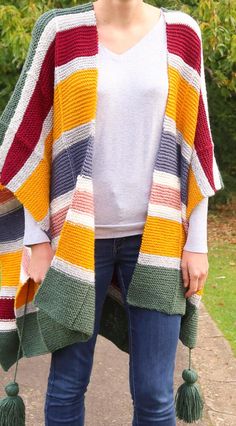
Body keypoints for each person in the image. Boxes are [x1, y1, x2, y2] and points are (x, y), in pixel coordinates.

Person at [0, 1, 224, 425]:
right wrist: (36, 240)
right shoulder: (60, 31)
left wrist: (197, 243)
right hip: (75, 242)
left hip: (156, 241)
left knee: (155, 393)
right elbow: (32, 140)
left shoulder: (181, 33)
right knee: (67, 384)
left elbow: (196, 144)